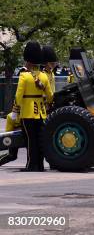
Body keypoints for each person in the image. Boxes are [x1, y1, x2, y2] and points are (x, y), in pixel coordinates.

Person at [15, 41, 53, 171]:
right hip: (41, 111)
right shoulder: (43, 76)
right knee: (39, 139)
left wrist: (15, 110)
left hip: (27, 112)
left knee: (30, 140)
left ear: (28, 60)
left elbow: (18, 96)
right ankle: (40, 165)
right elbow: (50, 95)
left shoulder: (24, 76)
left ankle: (31, 165)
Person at [41, 45, 58, 110]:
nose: (55, 64)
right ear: (48, 63)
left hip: (51, 102)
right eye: (53, 63)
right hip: (45, 104)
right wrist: (46, 103)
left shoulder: (52, 73)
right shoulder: (42, 74)